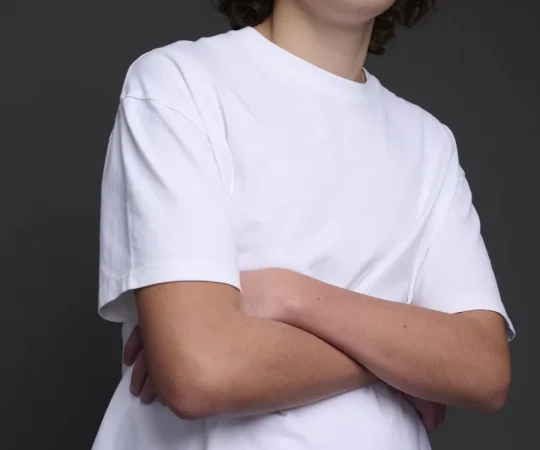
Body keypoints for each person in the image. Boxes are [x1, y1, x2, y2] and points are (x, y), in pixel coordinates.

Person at [92, 1, 515, 449]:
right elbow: (202, 370)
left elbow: (485, 371)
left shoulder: (428, 143)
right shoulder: (180, 84)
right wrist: (404, 366)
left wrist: (288, 296)